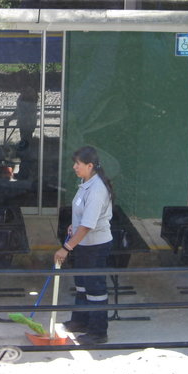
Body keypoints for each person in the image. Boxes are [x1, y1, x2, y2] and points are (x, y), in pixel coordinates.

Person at [54, 146, 114, 345]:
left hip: (95, 246)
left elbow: (89, 225)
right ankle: (80, 321)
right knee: (81, 284)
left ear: (90, 166)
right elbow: (83, 216)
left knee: (95, 287)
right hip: (83, 243)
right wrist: (74, 224)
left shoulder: (97, 189)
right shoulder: (85, 182)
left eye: (78, 164)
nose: (74, 167)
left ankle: (98, 332)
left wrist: (66, 248)